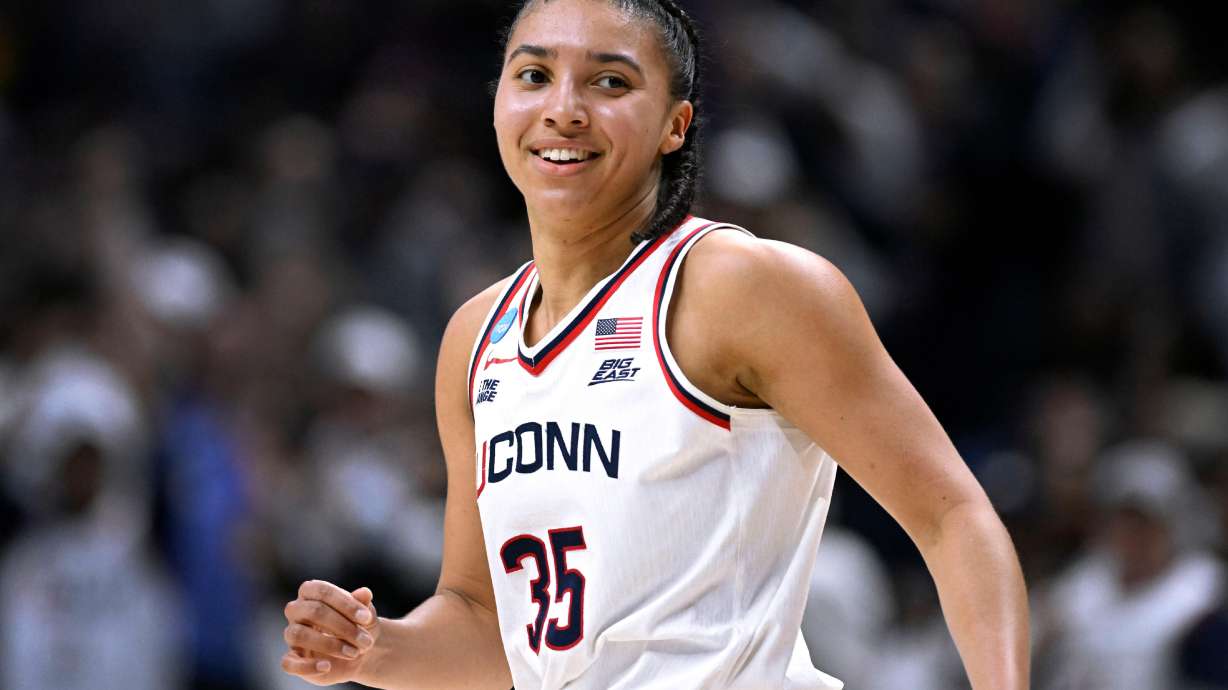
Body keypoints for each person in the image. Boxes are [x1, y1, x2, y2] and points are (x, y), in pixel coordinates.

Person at [279, 1, 1030, 688]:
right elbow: (487, 621)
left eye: (609, 82)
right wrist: (374, 649)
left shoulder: (741, 287)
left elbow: (952, 517)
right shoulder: (476, 337)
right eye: (534, 76)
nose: (563, 109)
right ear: (499, 103)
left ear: (676, 124)